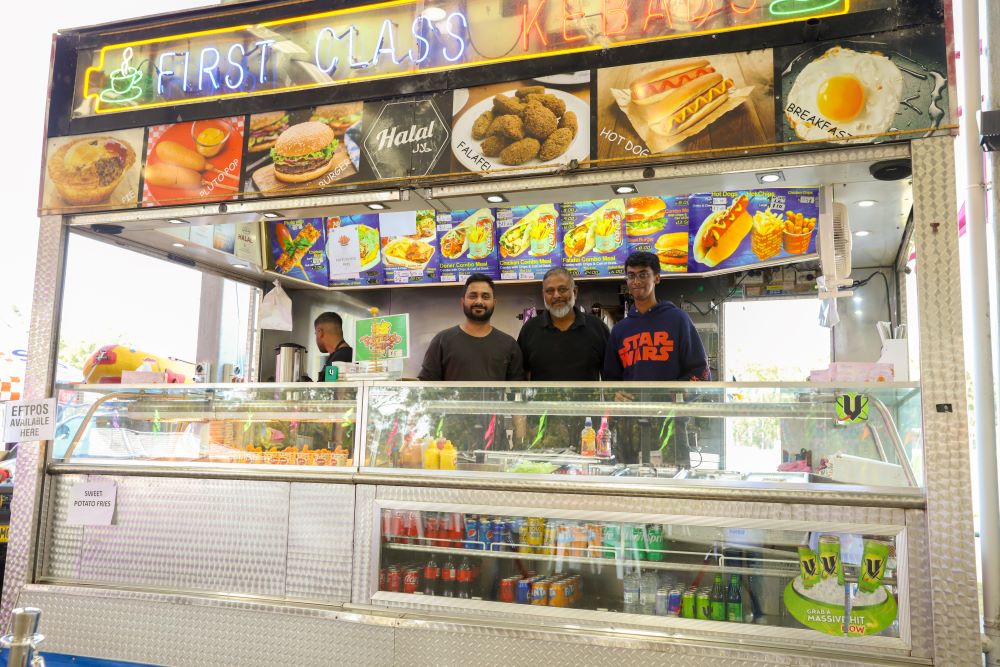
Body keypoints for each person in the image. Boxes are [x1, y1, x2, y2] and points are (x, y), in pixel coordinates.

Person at [603, 251, 710, 381]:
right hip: (634, 402)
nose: (636, 281)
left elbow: (701, 372)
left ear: (657, 278)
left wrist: (672, 396)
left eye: (643, 275)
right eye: (631, 275)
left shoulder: (678, 319)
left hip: (671, 401)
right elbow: (611, 381)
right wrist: (617, 395)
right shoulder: (619, 330)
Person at [418, 273, 524, 381]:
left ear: (494, 303)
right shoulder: (442, 341)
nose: (479, 301)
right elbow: (426, 388)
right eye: (473, 296)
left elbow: (517, 391)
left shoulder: (509, 345)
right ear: (463, 301)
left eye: (485, 297)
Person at [517, 268, 610, 380]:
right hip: (541, 398)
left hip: (586, 398)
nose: (556, 295)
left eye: (562, 289)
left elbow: (610, 376)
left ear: (575, 292)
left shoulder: (597, 327)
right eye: (550, 291)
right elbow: (520, 376)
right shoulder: (529, 330)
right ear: (543, 295)